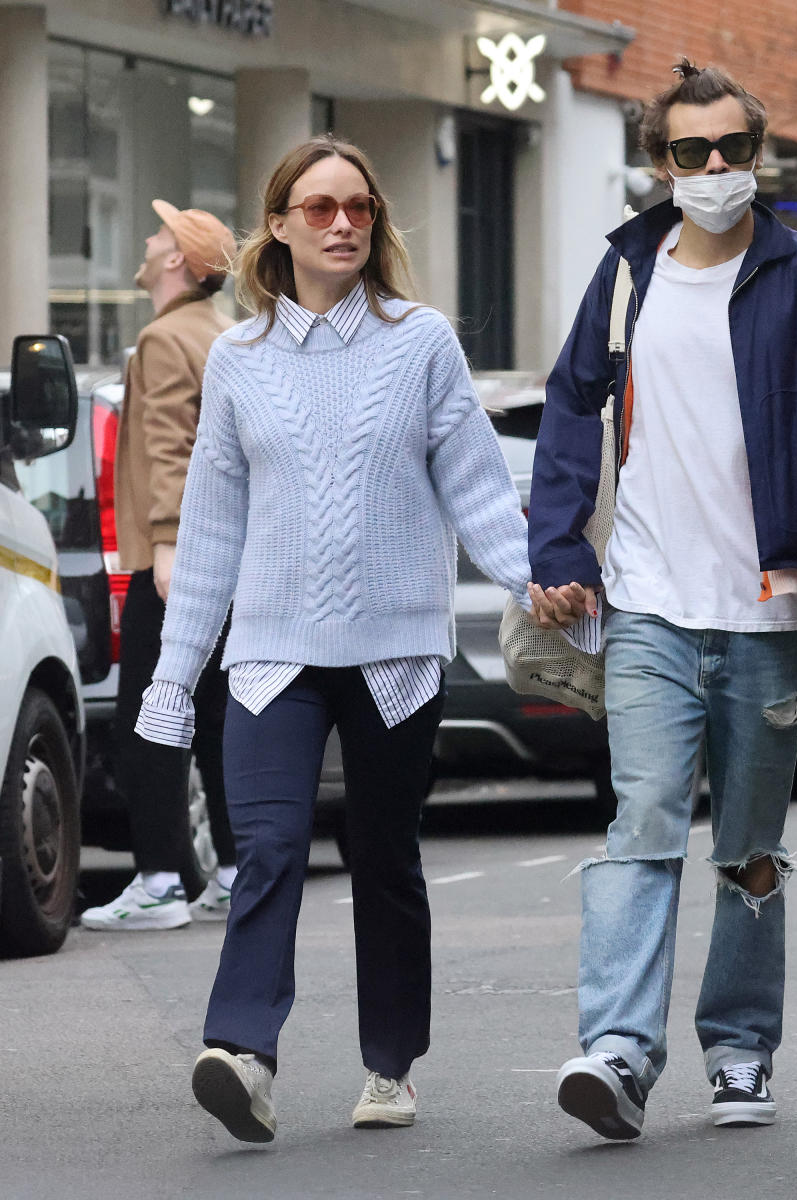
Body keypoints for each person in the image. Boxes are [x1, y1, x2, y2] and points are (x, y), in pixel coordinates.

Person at [526, 58, 797, 1139]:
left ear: (758, 151)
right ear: (660, 163)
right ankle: (619, 1053)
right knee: (641, 821)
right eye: (693, 152)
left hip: (769, 609)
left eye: (734, 148)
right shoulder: (628, 275)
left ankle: (739, 1048)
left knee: (748, 845)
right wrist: (559, 550)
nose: (717, 167)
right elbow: (567, 408)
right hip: (646, 604)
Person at [134, 135, 531, 1142]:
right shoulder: (239, 359)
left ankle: (390, 1065)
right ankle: (244, 1055)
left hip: (395, 653)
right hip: (271, 654)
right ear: (279, 226)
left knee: (384, 854)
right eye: (319, 208)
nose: (343, 223)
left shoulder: (422, 342)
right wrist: (174, 678)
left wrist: (543, 581)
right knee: (266, 847)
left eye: (358, 206)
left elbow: (478, 490)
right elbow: (211, 529)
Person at [80, 202, 240, 933]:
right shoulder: (225, 332)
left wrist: (168, 545)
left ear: (177, 260)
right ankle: (231, 872)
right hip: (231, 556)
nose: (146, 240)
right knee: (215, 717)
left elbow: (172, 447)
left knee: (151, 715)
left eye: (159, 234)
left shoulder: (165, 337)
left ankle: (159, 880)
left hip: (173, 560)